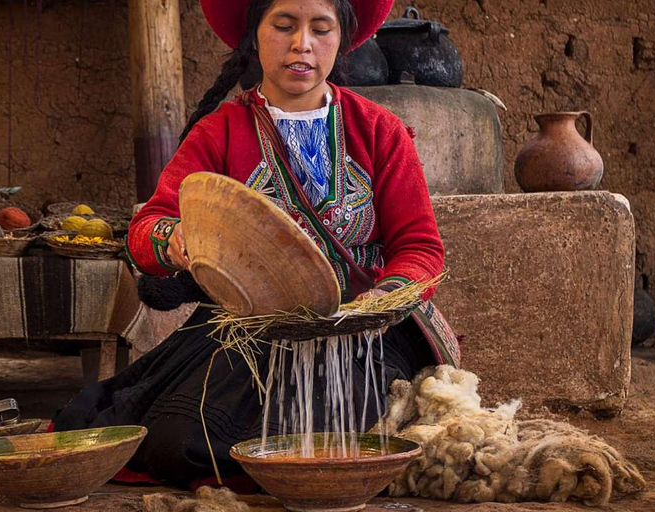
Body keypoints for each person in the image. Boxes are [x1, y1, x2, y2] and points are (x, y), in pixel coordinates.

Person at [53, 0, 460, 489]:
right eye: (283, 26)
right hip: (247, 329)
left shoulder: (379, 131)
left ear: (342, 40)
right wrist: (178, 239)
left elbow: (420, 248)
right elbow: (148, 229)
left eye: (321, 29)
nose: (301, 44)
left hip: (362, 336)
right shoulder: (219, 131)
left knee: (333, 437)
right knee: (179, 442)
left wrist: (379, 300)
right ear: (255, 36)